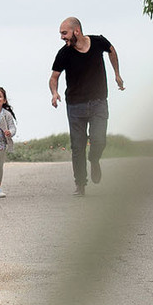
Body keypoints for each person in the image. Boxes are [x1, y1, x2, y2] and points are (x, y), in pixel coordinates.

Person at [47, 16, 122, 195]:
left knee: (99, 140)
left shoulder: (98, 42)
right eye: (60, 34)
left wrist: (117, 74)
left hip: (98, 102)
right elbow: (54, 77)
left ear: (76, 31)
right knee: (77, 147)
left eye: (64, 33)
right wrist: (54, 93)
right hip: (75, 106)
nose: (62, 37)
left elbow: (111, 50)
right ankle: (80, 185)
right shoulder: (64, 53)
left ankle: (94, 160)